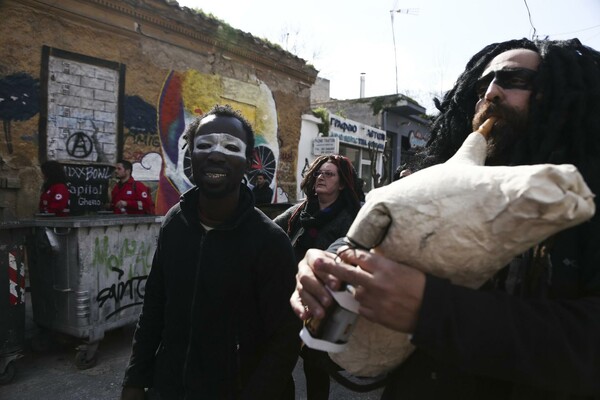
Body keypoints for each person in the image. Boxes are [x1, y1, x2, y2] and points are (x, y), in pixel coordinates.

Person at [290, 38, 600, 400]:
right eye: (483, 84)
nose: (492, 92)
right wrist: (329, 265)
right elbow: (373, 243)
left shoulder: (585, 203)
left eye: (514, 79)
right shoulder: (435, 181)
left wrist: (432, 309)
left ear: (561, 96)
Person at [120, 105, 301, 399]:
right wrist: (135, 378)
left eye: (231, 147)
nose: (216, 154)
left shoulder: (270, 242)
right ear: (191, 157)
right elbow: (154, 306)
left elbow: (284, 340)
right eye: (204, 145)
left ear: (247, 161)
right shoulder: (174, 223)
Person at [274, 154, 364, 400]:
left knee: (316, 369)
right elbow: (271, 233)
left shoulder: (354, 219)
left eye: (329, 174)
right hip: (289, 299)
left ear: (343, 183)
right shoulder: (300, 210)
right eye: (318, 173)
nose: (320, 177)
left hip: (324, 302)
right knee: (279, 364)